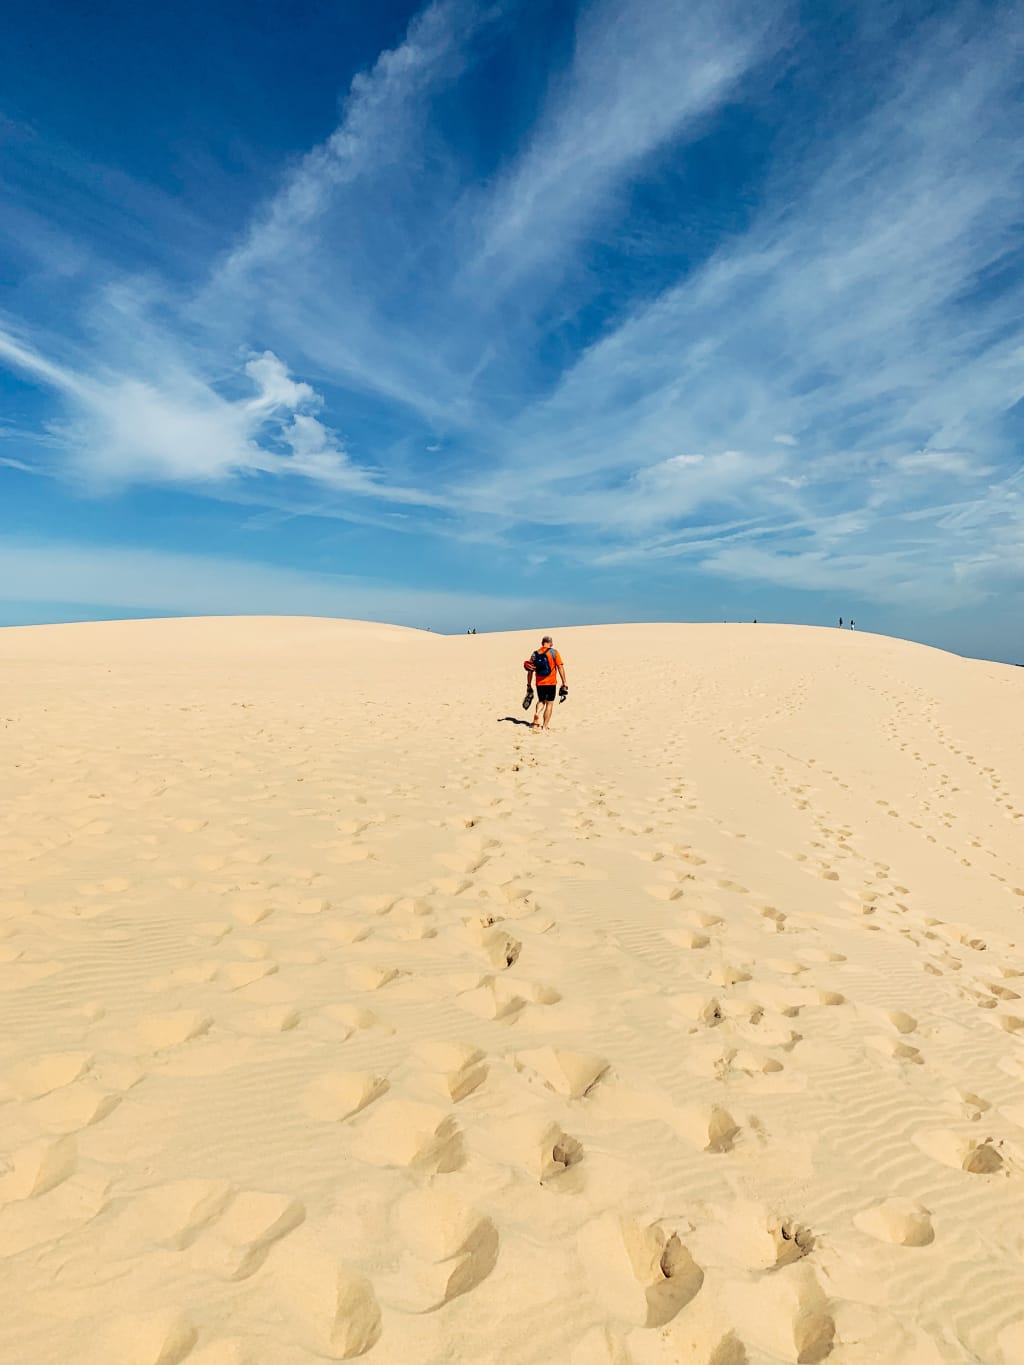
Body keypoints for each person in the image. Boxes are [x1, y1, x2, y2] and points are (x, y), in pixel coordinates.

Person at [529, 636, 567, 731]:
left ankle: (537, 713)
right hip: (551, 682)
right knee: (549, 703)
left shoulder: (535, 654)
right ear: (550, 643)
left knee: (541, 700)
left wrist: (528, 684)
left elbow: (530, 670)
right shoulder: (554, 652)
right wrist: (564, 682)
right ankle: (545, 727)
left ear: (542, 643)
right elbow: (560, 667)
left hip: (539, 682)